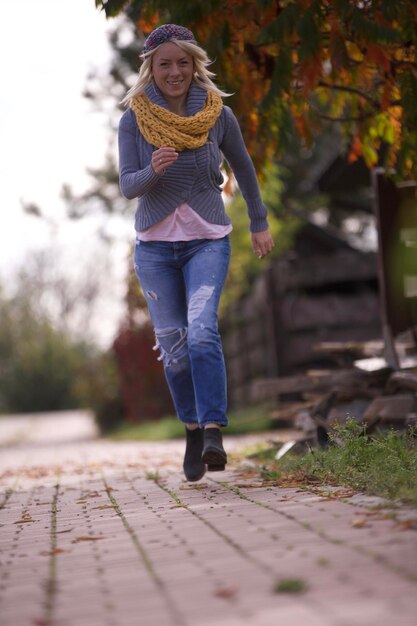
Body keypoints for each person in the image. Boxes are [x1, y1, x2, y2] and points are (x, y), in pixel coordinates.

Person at [118, 23, 275, 482]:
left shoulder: (217, 114)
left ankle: (212, 431)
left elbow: (243, 169)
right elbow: (128, 185)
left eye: (182, 62)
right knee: (174, 345)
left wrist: (260, 222)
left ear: (194, 65)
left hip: (207, 239)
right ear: (151, 68)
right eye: (164, 64)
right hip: (154, 249)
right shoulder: (134, 118)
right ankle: (190, 426)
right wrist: (152, 169)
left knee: (203, 331)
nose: (174, 72)